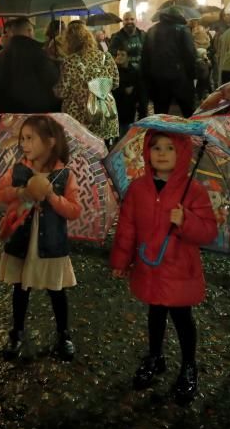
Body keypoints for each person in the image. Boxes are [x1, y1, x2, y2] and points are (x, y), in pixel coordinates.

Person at [109, 131, 216, 404]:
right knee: (155, 313)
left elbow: (207, 232)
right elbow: (127, 228)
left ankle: (189, 365)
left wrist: (186, 220)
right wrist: (121, 261)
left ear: (183, 153)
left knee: (182, 319)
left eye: (170, 147)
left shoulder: (193, 190)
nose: (162, 153)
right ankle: (155, 356)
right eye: (156, 147)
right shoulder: (138, 188)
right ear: (147, 151)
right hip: (150, 267)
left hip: (179, 270)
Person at [0, 115, 82, 361]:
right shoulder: (18, 169)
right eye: (22, 138)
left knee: (57, 290)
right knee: (20, 289)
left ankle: (63, 334)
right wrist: (21, 191)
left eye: (30, 138)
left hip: (51, 245)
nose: (24, 144)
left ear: (51, 141)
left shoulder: (64, 175)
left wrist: (52, 197)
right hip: (22, 242)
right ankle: (17, 332)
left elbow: (74, 210)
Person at [55, 21, 120, 144]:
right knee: (104, 152)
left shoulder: (69, 62)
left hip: (80, 119)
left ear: (69, 41)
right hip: (104, 115)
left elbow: (62, 92)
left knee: (84, 156)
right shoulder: (106, 57)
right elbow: (115, 83)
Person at [0, 17, 61, 117]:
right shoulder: (39, 54)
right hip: (35, 118)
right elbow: (53, 79)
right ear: (29, 31)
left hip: (7, 118)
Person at [141, 2, 197, 117]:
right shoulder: (183, 29)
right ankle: (190, 135)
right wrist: (192, 75)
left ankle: (160, 134)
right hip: (181, 79)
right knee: (189, 114)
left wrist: (148, 80)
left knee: (161, 115)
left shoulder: (152, 30)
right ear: (180, 15)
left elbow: (145, 57)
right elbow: (190, 54)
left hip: (158, 80)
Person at [109, 11, 147, 119]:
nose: (129, 22)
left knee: (143, 108)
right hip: (126, 78)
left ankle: (141, 132)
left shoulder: (143, 35)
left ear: (136, 20)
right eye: (126, 19)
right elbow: (111, 57)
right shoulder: (117, 37)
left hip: (141, 77)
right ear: (123, 21)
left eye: (131, 19)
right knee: (127, 110)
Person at [111, 45, 139, 138]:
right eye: (118, 54)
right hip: (115, 109)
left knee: (125, 136)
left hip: (128, 111)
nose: (119, 57)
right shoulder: (114, 71)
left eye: (122, 55)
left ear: (128, 57)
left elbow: (134, 91)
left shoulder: (133, 72)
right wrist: (123, 89)